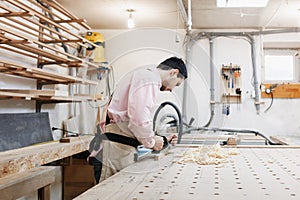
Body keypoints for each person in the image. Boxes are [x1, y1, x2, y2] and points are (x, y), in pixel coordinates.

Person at [88, 56, 188, 183]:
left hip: (117, 146)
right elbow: (138, 118)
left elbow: (133, 121)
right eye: (177, 84)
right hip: (114, 149)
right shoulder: (149, 78)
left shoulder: (144, 75)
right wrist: (151, 143)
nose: (171, 89)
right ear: (174, 72)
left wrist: (162, 139)